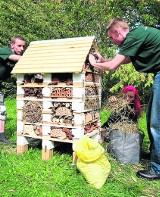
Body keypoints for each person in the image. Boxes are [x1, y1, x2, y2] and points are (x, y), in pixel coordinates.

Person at [89, 18, 160, 180]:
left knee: (157, 124)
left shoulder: (133, 36)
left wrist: (94, 64)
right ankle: (156, 156)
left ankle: (157, 169)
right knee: (152, 120)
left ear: (117, 32)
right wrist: (104, 61)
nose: (113, 42)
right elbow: (123, 60)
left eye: (111, 38)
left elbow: (113, 66)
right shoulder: (137, 36)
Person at [0, 36, 26, 145]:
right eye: (19, 46)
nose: (22, 48)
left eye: (23, 46)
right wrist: (32, 57)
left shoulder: (20, 56)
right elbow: (15, 58)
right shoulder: (4, 50)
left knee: (1, 110)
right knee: (1, 109)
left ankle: (1, 137)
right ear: (12, 45)